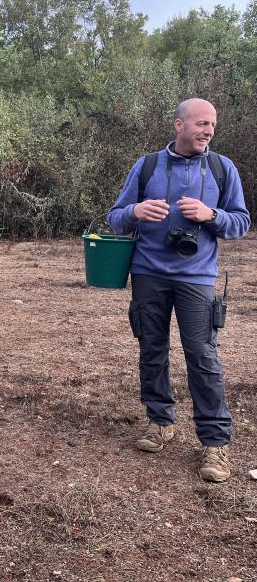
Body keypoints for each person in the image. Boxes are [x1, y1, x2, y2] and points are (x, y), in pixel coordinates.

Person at [107, 98, 250, 482]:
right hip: (148, 273)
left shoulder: (223, 169)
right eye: (202, 123)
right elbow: (115, 217)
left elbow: (241, 223)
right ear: (179, 125)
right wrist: (135, 212)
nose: (208, 131)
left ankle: (215, 444)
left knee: (203, 358)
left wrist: (211, 215)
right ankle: (160, 421)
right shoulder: (148, 165)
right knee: (152, 350)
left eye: (213, 126)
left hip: (197, 278)